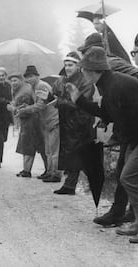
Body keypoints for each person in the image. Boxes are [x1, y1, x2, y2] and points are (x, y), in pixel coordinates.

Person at [68, 46, 138, 243]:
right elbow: (106, 113)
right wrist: (79, 100)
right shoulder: (109, 84)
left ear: (91, 70)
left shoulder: (115, 86)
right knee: (126, 176)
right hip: (133, 138)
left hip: (135, 137)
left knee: (129, 177)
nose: (81, 73)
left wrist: (121, 137)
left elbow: (121, 117)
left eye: (83, 69)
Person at [52, 52, 97, 195]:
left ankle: (75, 184)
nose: (67, 68)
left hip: (81, 122)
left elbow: (78, 104)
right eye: (65, 65)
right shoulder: (63, 80)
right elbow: (56, 94)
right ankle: (70, 184)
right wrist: (51, 97)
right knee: (71, 154)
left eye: (70, 65)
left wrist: (57, 101)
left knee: (78, 154)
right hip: (67, 122)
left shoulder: (85, 81)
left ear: (78, 66)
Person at [17, 65, 59, 182]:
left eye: (31, 76)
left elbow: (40, 105)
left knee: (54, 150)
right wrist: (26, 106)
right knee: (48, 150)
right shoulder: (33, 88)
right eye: (27, 77)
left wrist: (24, 110)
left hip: (53, 119)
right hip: (46, 121)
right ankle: (49, 172)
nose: (29, 79)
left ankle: (55, 174)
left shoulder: (41, 85)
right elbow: (38, 103)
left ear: (37, 76)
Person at [9, 73, 45, 178]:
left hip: (31, 121)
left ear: (21, 80)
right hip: (29, 121)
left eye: (15, 80)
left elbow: (23, 110)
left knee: (29, 146)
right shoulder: (22, 90)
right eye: (11, 81)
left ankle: (27, 170)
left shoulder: (24, 92)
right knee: (36, 146)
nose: (13, 83)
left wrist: (13, 109)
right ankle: (29, 169)